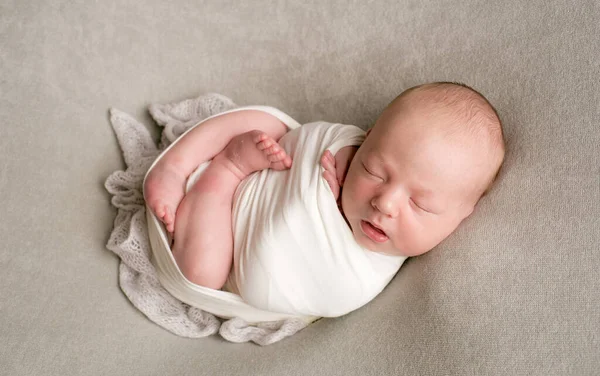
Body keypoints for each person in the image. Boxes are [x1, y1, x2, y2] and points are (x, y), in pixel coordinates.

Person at [143, 82, 505, 292]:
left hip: (231, 236)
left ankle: (224, 171)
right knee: (268, 120)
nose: (385, 203)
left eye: (421, 204)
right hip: (272, 164)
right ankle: (174, 167)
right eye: (375, 170)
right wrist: (346, 156)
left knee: (201, 274)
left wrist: (327, 211)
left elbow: (294, 276)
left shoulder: (359, 273)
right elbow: (326, 141)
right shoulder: (351, 154)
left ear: (462, 216)